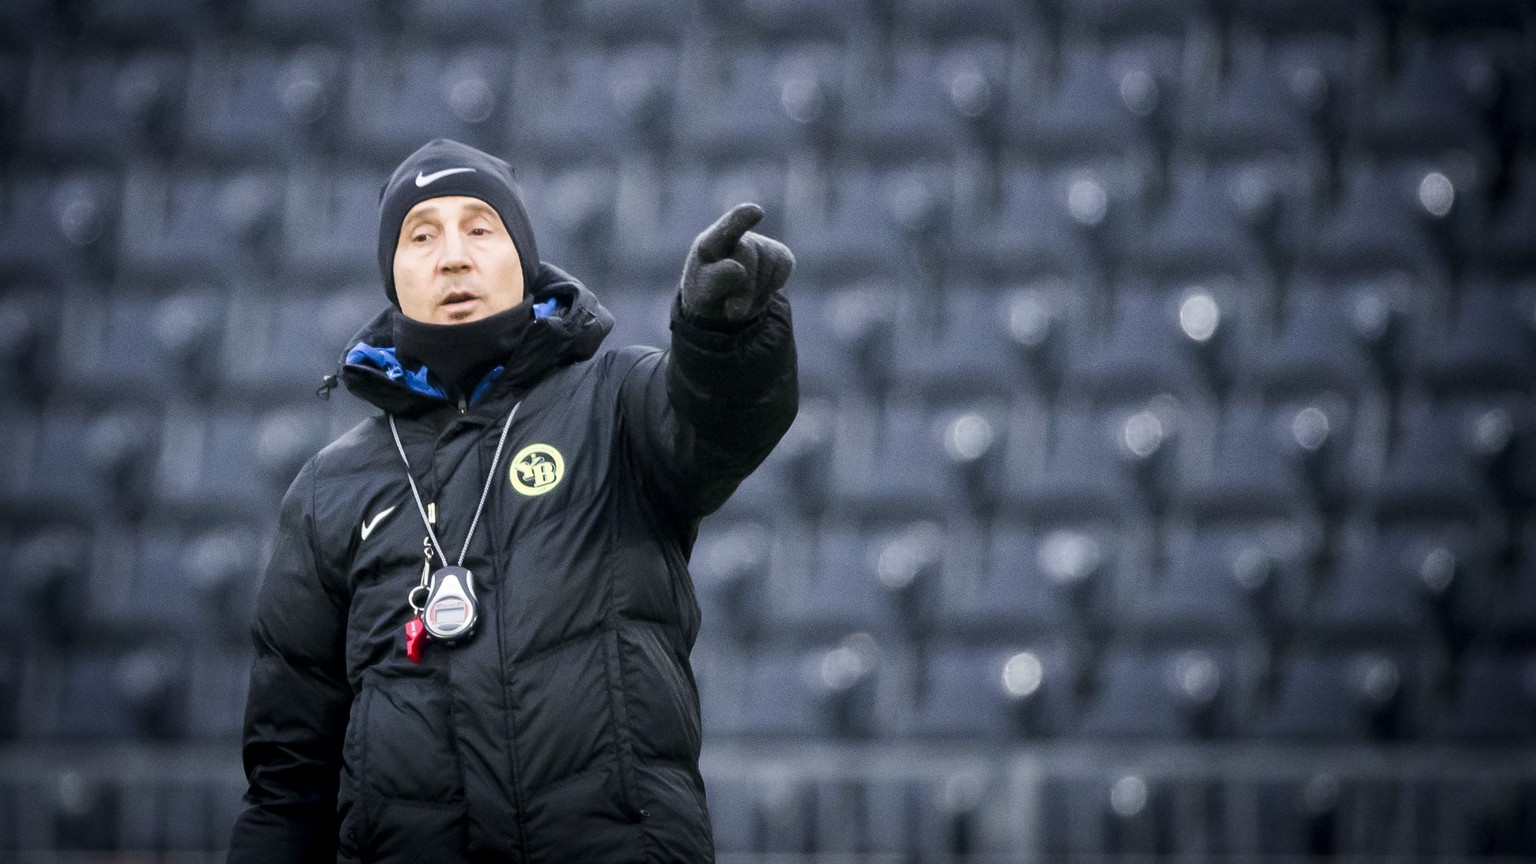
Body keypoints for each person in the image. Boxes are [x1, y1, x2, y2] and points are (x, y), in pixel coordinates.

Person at [227, 137, 797, 863]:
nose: (454, 256)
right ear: (393, 276)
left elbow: (718, 427)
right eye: (421, 235)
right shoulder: (328, 491)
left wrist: (725, 335)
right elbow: (287, 786)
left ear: (522, 259)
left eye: (480, 228)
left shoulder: (614, 398)